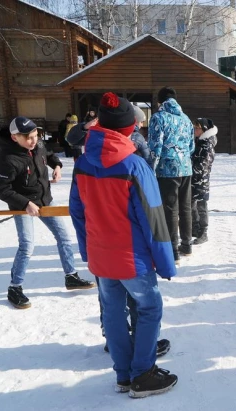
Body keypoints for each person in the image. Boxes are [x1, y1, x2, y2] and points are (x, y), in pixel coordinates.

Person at [69, 92, 178, 398]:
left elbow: (78, 212)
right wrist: (166, 262)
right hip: (132, 260)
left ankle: (123, 375)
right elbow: (154, 220)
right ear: (129, 129)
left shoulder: (82, 164)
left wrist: (88, 251)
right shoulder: (135, 166)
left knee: (114, 312)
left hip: (102, 258)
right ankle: (142, 373)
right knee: (149, 307)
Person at [0, 116, 94, 309]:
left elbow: (48, 153)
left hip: (46, 200)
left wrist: (56, 166)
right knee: (27, 245)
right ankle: (15, 287)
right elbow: (0, 189)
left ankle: (71, 276)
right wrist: (25, 203)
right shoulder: (7, 158)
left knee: (63, 237)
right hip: (22, 206)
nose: (34, 141)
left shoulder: (37, 144)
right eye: (28, 138)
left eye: (35, 135)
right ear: (15, 138)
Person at [148, 86, 195, 262]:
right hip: (186, 167)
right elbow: (191, 146)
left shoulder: (158, 118)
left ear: (159, 101)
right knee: (185, 207)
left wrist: (151, 168)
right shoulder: (186, 119)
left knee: (170, 209)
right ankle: (187, 245)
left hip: (167, 169)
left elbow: (155, 147)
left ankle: (172, 249)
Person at [191, 117, 218, 245]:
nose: (195, 130)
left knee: (201, 206)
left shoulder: (207, 145)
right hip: (193, 179)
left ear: (204, 130)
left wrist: (190, 167)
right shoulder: (199, 142)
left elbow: (204, 165)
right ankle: (195, 228)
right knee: (191, 205)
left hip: (201, 181)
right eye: (194, 127)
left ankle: (203, 232)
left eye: (197, 128)